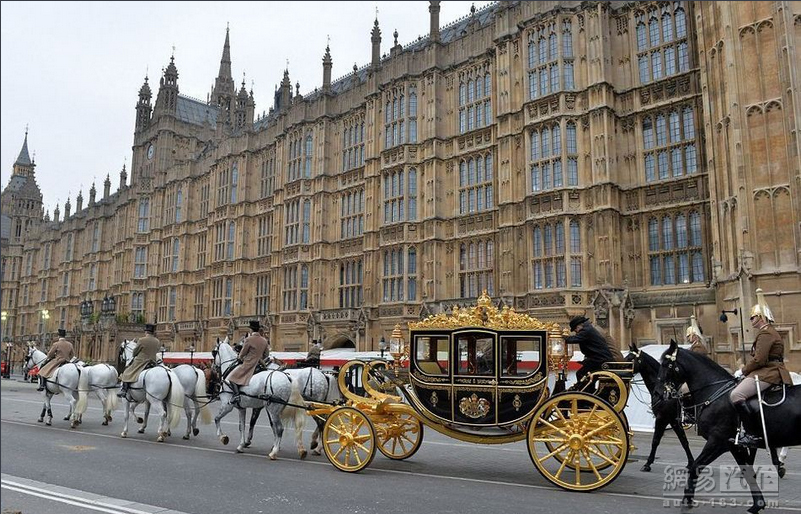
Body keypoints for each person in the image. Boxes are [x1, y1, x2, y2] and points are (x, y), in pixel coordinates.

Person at [729, 288, 792, 447]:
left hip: (769, 372)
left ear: (761, 317)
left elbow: (759, 360)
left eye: (753, 317)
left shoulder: (766, 334)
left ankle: (752, 434)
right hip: (768, 370)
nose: (751, 320)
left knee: (736, 395)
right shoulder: (768, 332)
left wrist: (742, 370)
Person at [226, 320, 270, 405]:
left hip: (249, 364)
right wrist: (260, 358)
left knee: (231, 378)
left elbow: (242, 354)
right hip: (261, 364)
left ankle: (236, 396)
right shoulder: (264, 340)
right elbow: (266, 354)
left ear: (251, 330)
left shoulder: (248, 339)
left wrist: (240, 357)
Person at [565, 316, 615, 385]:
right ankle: (589, 390)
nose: (576, 332)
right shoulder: (588, 329)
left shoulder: (586, 331)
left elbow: (573, 339)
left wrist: (562, 337)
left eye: (575, 329)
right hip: (600, 359)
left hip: (600, 360)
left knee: (581, 374)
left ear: (579, 325)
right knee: (588, 376)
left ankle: (586, 392)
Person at [118, 324, 161, 397]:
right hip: (153, 361)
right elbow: (157, 350)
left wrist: (135, 354)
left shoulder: (142, 340)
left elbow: (135, 352)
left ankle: (124, 390)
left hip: (142, 361)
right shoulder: (157, 341)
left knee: (127, 372)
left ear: (146, 332)